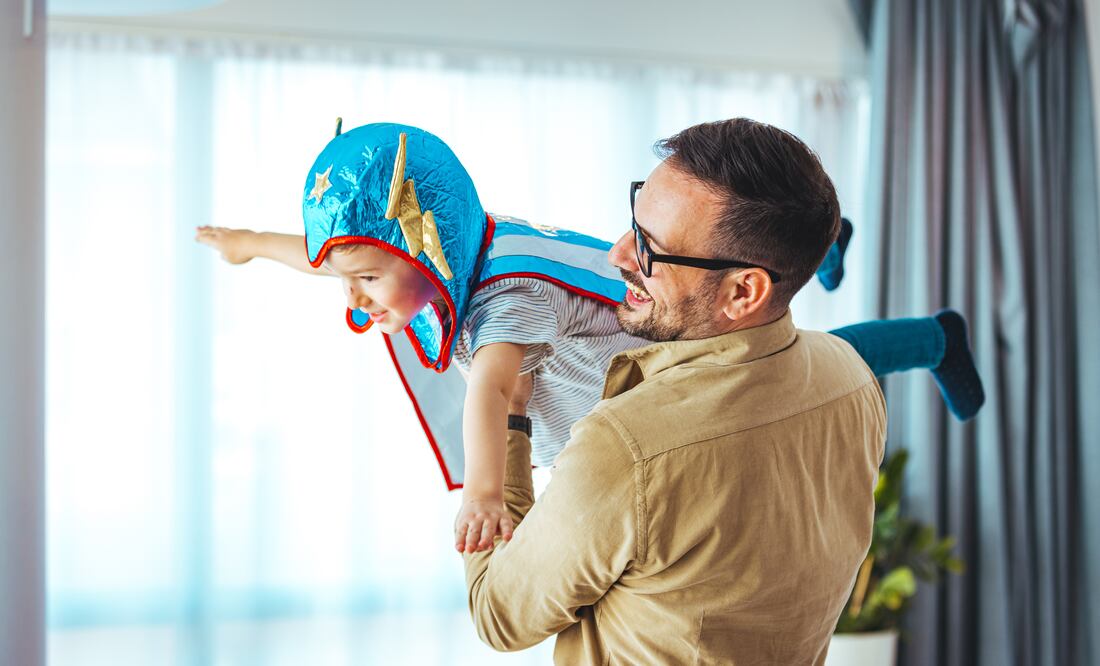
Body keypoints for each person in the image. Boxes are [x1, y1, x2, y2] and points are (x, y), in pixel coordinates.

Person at [195, 122, 983, 562]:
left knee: (824, 358)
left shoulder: (504, 302)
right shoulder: (443, 258)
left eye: (365, 280)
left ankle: (929, 335)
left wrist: (483, 492)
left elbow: (494, 393)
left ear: (423, 249)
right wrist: (248, 243)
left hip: (678, 363)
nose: (353, 298)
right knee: (752, 269)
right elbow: (335, 250)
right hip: (638, 340)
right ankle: (819, 237)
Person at [458, 117, 883, 664]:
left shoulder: (624, 450)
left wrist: (512, 416)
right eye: (631, 225)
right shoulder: (851, 377)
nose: (616, 255)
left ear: (743, 290)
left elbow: (499, 615)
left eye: (648, 248)